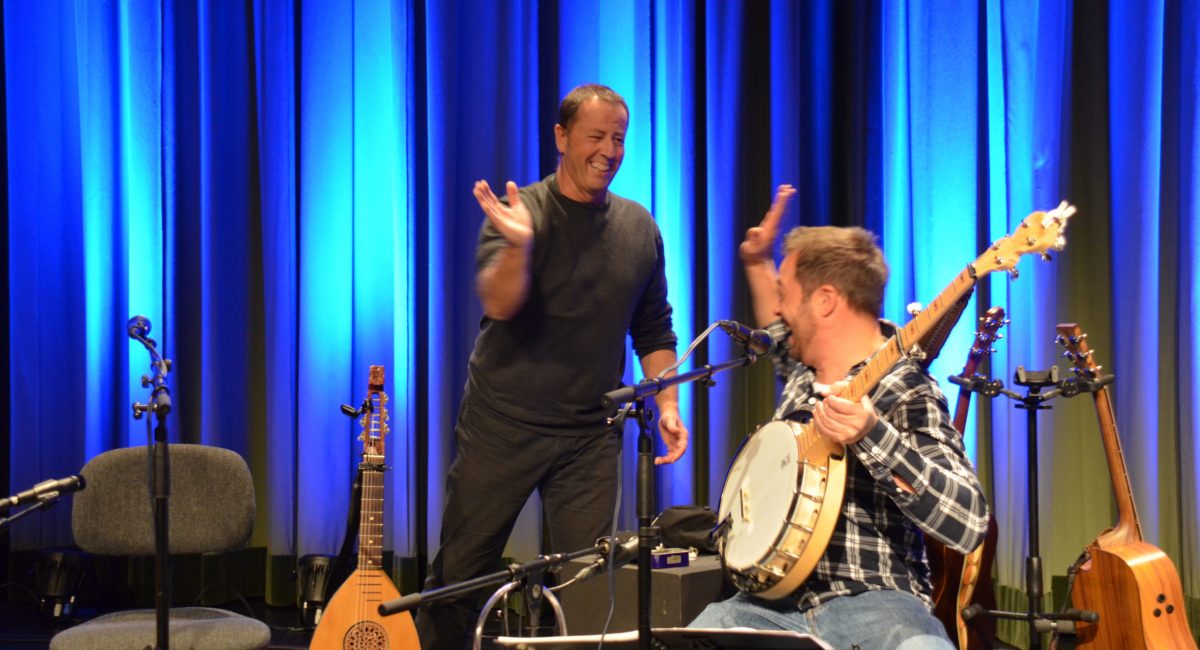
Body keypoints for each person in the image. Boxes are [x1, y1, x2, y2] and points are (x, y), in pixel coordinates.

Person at [415, 84, 690, 649]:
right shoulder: (521, 213)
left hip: (590, 436)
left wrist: (667, 402)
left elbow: (654, 328)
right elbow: (498, 301)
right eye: (596, 136)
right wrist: (519, 247)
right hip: (504, 424)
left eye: (619, 139)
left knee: (588, 585)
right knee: (461, 575)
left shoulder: (639, 228)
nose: (609, 150)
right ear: (562, 137)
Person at [689, 186, 989, 649]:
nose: (778, 308)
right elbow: (775, 329)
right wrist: (756, 262)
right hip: (765, 609)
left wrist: (873, 435)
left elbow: (968, 523)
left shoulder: (906, 389)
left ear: (825, 300)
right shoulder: (803, 377)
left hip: (875, 605)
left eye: (785, 294)